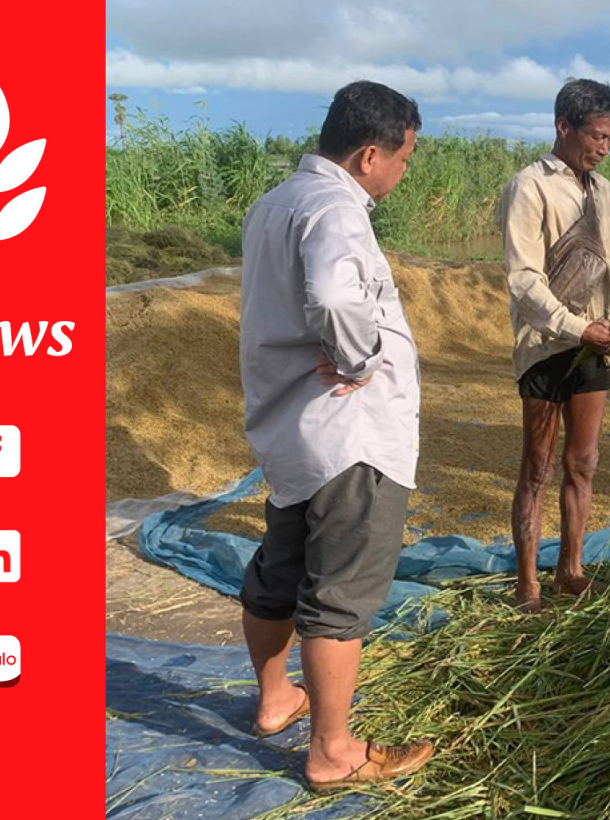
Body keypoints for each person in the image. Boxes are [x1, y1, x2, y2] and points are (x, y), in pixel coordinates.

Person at [236, 81, 434, 790]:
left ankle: (274, 698)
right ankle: (333, 750)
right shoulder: (333, 207)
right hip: (347, 435)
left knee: (279, 571)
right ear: (369, 154)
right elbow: (329, 295)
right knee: (340, 593)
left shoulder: (275, 203)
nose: (403, 173)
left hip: (291, 430)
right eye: (403, 159)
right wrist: (361, 357)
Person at [499, 78, 610, 612]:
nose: (604, 148)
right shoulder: (530, 187)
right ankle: (527, 584)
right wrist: (575, 327)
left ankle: (571, 570)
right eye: (597, 136)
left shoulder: (603, 193)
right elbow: (522, 279)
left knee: (583, 462)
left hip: (595, 344)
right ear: (564, 126)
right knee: (536, 466)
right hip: (545, 344)